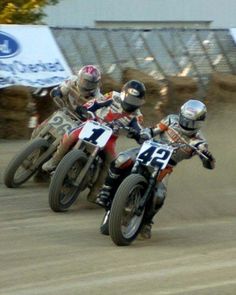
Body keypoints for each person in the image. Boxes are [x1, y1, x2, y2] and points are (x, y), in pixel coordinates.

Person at [96, 99, 216, 239]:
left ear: (199, 122)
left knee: (159, 196)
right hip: (149, 149)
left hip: (166, 166)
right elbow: (153, 130)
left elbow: (209, 164)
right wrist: (144, 134)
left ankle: (147, 222)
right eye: (185, 119)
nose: (186, 124)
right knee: (120, 160)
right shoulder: (171, 120)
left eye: (191, 123)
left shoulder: (199, 141)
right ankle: (105, 190)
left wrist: (207, 157)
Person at [42, 80, 147, 202]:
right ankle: (54, 161)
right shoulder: (113, 96)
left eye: (135, 101)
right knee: (70, 135)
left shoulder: (137, 115)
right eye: (129, 99)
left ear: (140, 102)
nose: (130, 103)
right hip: (93, 124)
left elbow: (139, 129)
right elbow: (96, 102)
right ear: (123, 94)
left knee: (111, 163)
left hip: (109, 137)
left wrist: (139, 135)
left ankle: (96, 191)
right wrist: (86, 109)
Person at [31, 64, 103, 139]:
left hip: (80, 122)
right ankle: (35, 136)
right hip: (65, 112)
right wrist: (57, 92)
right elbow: (62, 87)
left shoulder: (98, 97)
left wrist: (89, 113)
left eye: (91, 84)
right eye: (85, 82)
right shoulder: (72, 80)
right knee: (38, 130)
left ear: (96, 84)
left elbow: (99, 115)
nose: (87, 86)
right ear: (79, 77)